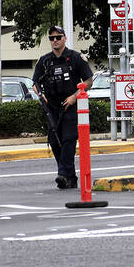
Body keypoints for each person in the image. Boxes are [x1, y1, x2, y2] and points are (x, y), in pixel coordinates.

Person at [32, 25, 93, 189]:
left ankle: (62, 173)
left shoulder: (75, 58)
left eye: (58, 37)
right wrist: (41, 95)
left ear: (65, 38)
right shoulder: (44, 61)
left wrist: (74, 96)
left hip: (70, 106)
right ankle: (70, 177)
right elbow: (35, 83)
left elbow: (89, 80)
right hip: (52, 106)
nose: (55, 41)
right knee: (55, 140)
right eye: (52, 38)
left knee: (68, 139)